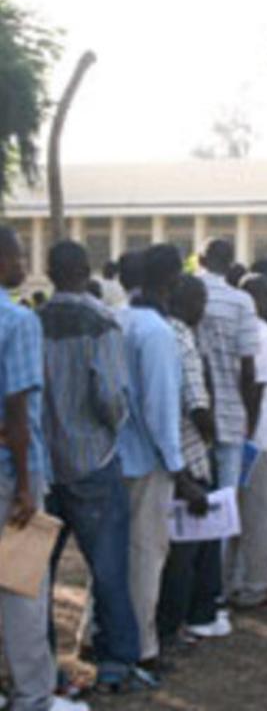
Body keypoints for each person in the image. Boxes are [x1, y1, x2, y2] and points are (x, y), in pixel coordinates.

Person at [39, 241, 141, 691]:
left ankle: (40, 661)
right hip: (92, 461)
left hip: (43, 467)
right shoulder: (102, 323)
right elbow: (111, 396)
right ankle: (117, 662)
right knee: (109, 568)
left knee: (38, 573)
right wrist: (111, 428)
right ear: (85, 270)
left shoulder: (31, 322)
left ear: (49, 272)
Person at [0, 229, 89, 711]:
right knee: (21, 586)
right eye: (17, 255)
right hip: (11, 471)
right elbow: (16, 407)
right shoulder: (17, 321)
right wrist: (26, 487)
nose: (23, 264)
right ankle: (32, 696)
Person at [116, 244, 187, 675]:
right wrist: (178, 466)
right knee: (146, 554)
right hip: (147, 461)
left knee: (114, 555)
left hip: (114, 456)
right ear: (172, 282)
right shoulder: (157, 332)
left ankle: (104, 635)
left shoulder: (118, 318)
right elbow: (162, 407)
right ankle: (143, 647)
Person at [156, 275, 223, 647]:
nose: (204, 309)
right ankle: (174, 626)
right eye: (201, 301)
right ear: (188, 302)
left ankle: (173, 622)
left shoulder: (161, 331)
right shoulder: (182, 339)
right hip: (189, 458)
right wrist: (214, 435)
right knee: (184, 552)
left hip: (164, 459)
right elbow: (198, 404)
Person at [227, 275, 267, 607]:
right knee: (260, 517)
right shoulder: (261, 333)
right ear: (257, 297)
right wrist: (251, 438)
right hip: (257, 441)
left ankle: (225, 583)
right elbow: (258, 387)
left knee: (229, 520)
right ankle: (256, 586)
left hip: (230, 438)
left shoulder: (228, 329)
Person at [196, 240, 260, 496]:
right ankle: (220, 538)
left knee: (191, 497)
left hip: (192, 414)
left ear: (202, 260)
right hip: (231, 414)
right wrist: (249, 419)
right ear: (231, 264)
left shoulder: (186, 292)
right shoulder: (242, 302)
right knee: (225, 499)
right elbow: (248, 369)